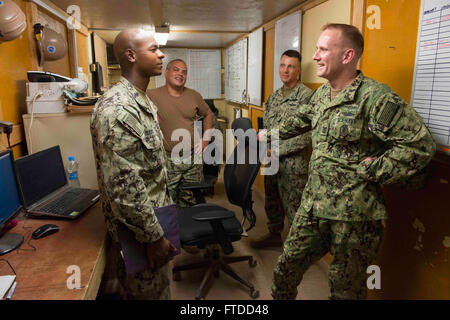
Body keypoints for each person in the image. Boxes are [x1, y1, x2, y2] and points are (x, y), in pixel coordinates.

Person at [267, 24, 436, 299]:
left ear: (347, 56)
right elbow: (301, 120)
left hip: (354, 217)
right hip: (313, 207)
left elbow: (419, 145)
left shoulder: (375, 98)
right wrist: (269, 133)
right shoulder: (322, 94)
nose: (315, 56)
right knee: (284, 271)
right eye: (317, 48)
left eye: (323, 49)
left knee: (346, 291)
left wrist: (373, 168)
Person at [90, 29, 176, 300]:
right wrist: (154, 238)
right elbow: (125, 189)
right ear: (131, 55)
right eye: (153, 49)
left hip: (156, 220)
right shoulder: (117, 109)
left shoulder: (141, 100)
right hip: (141, 235)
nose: (161, 54)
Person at [250, 50, 312, 249]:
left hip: (293, 165)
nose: (285, 70)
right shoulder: (274, 97)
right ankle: (274, 235)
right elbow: (267, 129)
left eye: (291, 66)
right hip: (272, 160)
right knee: (272, 201)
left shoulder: (307, 97)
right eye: (283, 65)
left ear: (299, 71)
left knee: (295, 207)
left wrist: (278, 150)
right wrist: (267, 148)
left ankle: (297, 251)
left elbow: (308, 134)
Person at [148, 59, 214, 208]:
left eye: (184, 72)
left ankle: (189, 229)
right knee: (168, 201)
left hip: (192, 158)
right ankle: (173, 231)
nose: (180, 74)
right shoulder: (151, 95)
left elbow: (208, 114)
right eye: (176, 70)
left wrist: (206, 140)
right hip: (168, 159)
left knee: (191, 200)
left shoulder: (194, 95)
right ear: (166, 72)